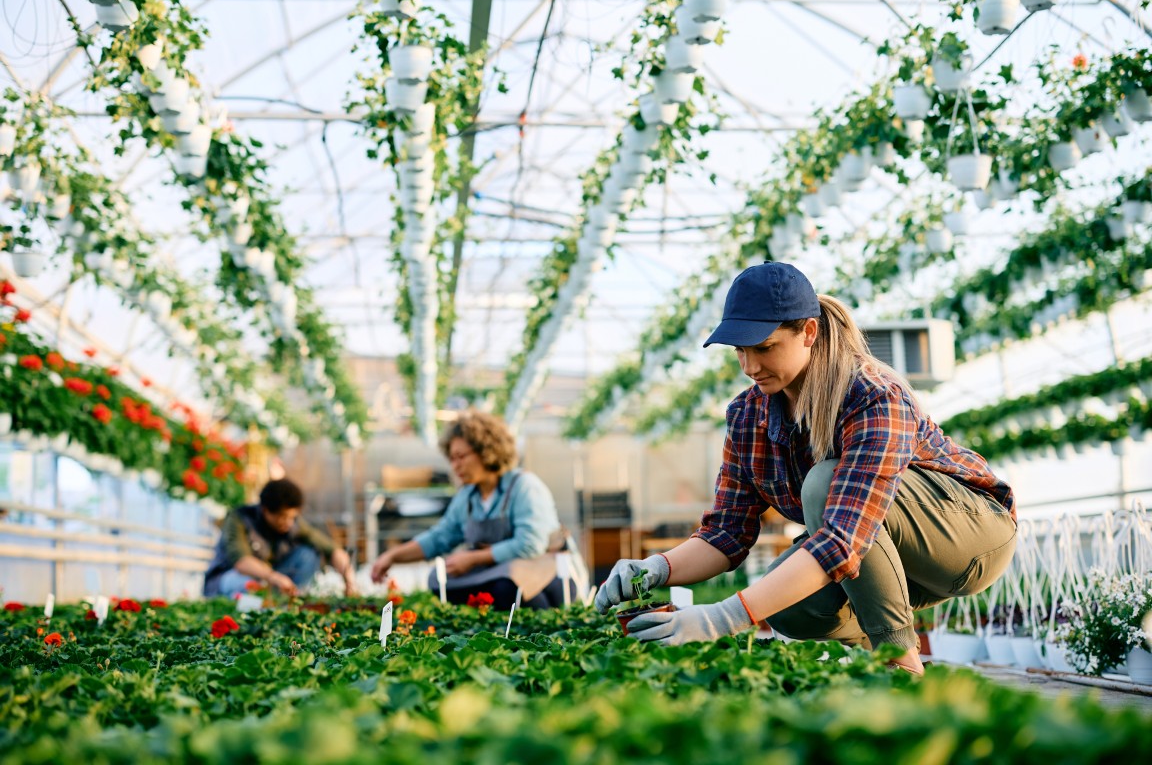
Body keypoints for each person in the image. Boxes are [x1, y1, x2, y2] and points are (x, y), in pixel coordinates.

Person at [594, 262, 1017, 675]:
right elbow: (726, 533)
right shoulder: (747, 416)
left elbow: (844, 537)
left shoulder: (872, 395)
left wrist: (719, 619)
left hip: (969, 539)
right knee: (787, 604)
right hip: (891, 562)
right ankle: (867, 659)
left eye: (764, 347)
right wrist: (656, 568)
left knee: (824, 484)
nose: (750, 366)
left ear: (808, 332)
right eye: (740, 351)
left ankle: (900, 662)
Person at [369, 409, 571, 609]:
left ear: (486, 452)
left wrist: (474, 558)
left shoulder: (524, 486)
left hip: (546, 574)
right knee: (439, 580)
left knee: (505, 588)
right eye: (451, 459)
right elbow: (439, 537)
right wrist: (392, 556)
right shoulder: (468, 496)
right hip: (500, 573)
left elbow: (530, 544)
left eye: (461, 457)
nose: (455, 466)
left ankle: (540, 625)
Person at [204, 477, 359, 598]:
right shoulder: (240, 518)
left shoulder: (293, 524)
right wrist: (273, 577)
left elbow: (331, 549)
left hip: (270, 581)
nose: (289, 523)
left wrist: (348, 577)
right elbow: (241, 562)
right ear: (265, 510)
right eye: (283, 517)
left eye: (292, 517)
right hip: (232, 577)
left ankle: (292, 600)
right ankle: (255, 603)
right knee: (246, 584)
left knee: (308, 554)